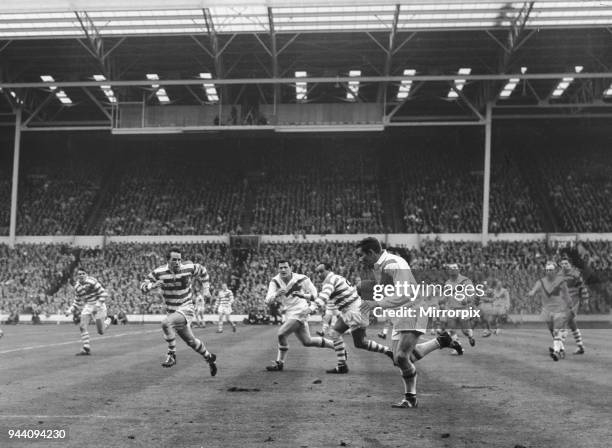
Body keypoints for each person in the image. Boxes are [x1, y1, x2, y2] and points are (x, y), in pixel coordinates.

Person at [359, 237, 461, 409]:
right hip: (397, 315)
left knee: (401, 357)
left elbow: (406, 294)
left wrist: (376, 304)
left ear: (371, 252)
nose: (360, 259)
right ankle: (441, 341)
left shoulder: (393, 263)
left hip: (412, 310)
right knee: (399, 359)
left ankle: (410, 398)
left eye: (361, 255)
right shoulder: (380, 266)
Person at [140, 247, 217, 375]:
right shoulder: (159, 272)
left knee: (165, 323)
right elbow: (142, 286)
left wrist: (206, 289)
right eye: (174, 259)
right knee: (191, 342)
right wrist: (151, 286)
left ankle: (172, 355)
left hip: (186, 307)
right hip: (172, 311)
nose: (177, 262)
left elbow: (203, 271)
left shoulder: (188, 267)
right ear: (167, 260)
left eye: (179, 259)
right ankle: (209, 358)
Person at [264, 260, 335, 371]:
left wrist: (305, 300)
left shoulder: (302, 279)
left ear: (291, 268)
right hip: (289, 313)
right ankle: (336, 345)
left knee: (281, 333)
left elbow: (315, 294)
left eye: (285, 267)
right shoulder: (275, 281)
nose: (283, 270)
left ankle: (279, 363)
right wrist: (276, 294)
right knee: (307, 341)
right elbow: (267, 301)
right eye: (280, 268)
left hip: (301, 311)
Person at [527, 261, 571, 361]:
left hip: (559, 309)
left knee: (556, 332)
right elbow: (534, 289)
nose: (548, 272)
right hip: (547, 310)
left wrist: (570, 306)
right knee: (553, 332)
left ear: (555, 270)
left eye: (550, 270)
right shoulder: (541, 281)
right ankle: (561, 350)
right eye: (547, 270)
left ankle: (556, 352)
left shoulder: (561, 281)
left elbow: (567, 294)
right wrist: (532, 292)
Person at [66, 268, 112, 356]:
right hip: (88, 306)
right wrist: (69, 310)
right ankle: (86, 348)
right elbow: (77, 301)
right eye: (79, 274)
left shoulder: (92, 281)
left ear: (86, 275)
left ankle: (107, 321)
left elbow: (104, 294)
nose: (81, 275)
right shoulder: (77, 287)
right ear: (77, 276)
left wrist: (97, 305)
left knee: (101, 331)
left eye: (83, 273)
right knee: (82, 326)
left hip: (99, 305)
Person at [443, 263, 476, 348]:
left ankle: (470, 337)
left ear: (458, 270)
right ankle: (458, 346)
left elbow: (472, 294)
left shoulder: (466, 280)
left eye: (454, 268)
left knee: (465, 331)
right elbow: (446, 297)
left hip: (463, 309)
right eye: (450, 269)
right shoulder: (447, 283)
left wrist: (467, 300)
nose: (452, 270)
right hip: (451, 308)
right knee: (451, 328)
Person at [559, 257, 587, 354]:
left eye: (566, 263)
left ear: (570, 264)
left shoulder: (575, 274)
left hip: (574, 302)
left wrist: (585, 301)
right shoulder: (559, 275)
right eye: (562, 264)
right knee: (572, 324)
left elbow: (583, 288)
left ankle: (559, 348)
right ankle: (580, 347)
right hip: (564, 302)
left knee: (563, 321)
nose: (564, 265)